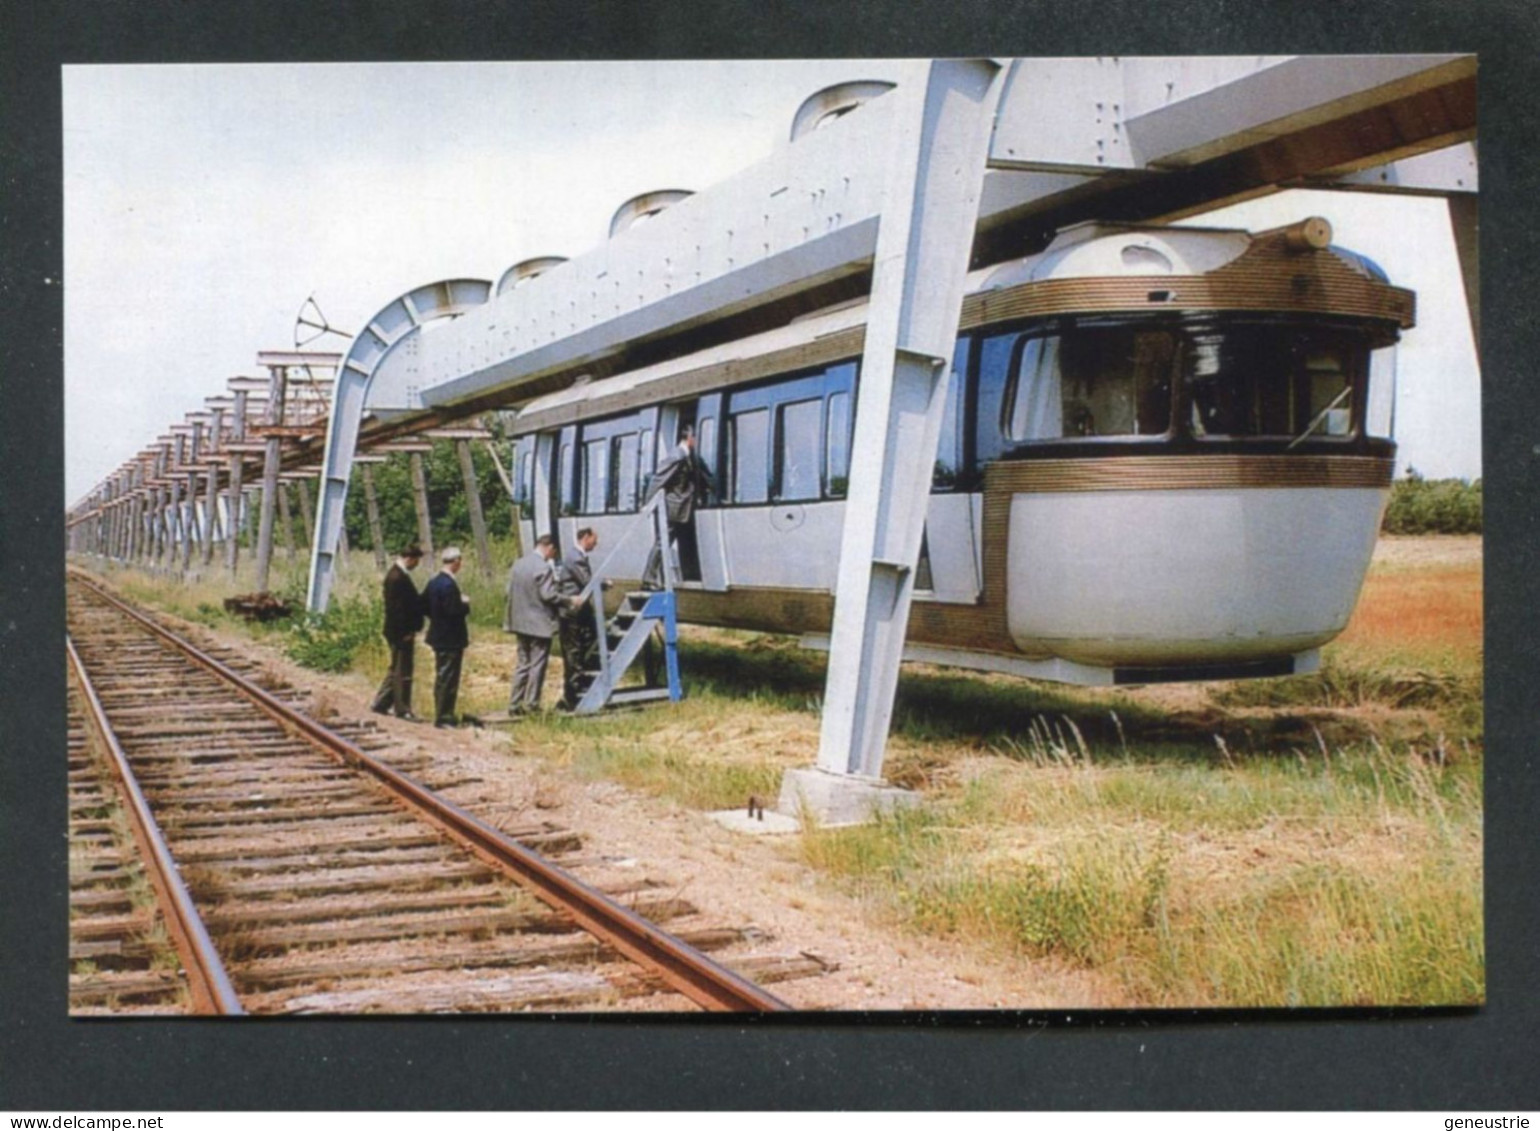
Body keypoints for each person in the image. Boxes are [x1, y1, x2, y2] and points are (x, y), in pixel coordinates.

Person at [504, 534, 574, 714]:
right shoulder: (543, 568)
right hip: (539, 624)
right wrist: (569, 600)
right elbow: (548, 595)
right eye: (554, 551)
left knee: (522, 664)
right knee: (537, 665)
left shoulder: (518, 564)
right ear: (550, 547)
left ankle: (515, 704)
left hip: (519, 622)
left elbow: (508, 591)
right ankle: (532, 704)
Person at [642, 426, 713, 588]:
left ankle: (689, 574)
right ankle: (648, 579)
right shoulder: (677, 456)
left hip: (685, 509)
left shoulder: (690, 456)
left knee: (681, 543)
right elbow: (658, 479)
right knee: (662, 543)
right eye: (695, 437)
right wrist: (648, 504)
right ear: (688, 437)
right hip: (674, 509)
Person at [370, 544, 425, 720]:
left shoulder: (398, 575)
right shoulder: (397, 578)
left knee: (396, 668)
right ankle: (403, 709)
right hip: (400, 631)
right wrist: (405, 632)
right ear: (410, 558)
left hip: (398, 630)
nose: (416, 565)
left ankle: (381, 703)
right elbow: (397, 610)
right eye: (416, 561)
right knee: (403, 670)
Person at [556, 526, 604, 710]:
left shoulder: (577, 556)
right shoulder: (576, 557)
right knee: (573, 653)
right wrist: (603, 583)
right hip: (572, 614)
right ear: (585, 537)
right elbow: (587, 581)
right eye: (594, 539)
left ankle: (580, 687)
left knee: (582, 648)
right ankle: (573, 696)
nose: (596, 543)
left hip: (578, 613)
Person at [424, 546, 471, 728]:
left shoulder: (434, 582)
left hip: (438, 634)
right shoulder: (449, 585)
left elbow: (425, 605)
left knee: (442, 676)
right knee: (448, 678)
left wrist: (435, 619)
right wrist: (464, 604)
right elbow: (453, 611)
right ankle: (444, 716)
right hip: (450, 638)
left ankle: (443, 713)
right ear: (456, 561)